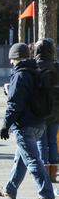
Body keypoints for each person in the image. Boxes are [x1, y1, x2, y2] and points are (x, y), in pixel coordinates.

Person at [0, 42, 56, 199]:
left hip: (25, 124)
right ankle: (10, 189)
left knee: (32, 160)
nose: (10, 62)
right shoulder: (36, 70)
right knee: (21, 158)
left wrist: (5, 125)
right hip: (40, 123)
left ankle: (47, 194)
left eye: (11, 59)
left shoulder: (20, 75)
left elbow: (15, 104)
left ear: (15, 58)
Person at [34, 39, 59, 185]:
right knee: (53, 143)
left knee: (41, 143)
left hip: (40, 112)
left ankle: (43, 174)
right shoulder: (57, 67)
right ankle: (53, 174)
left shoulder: (35, 67)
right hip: (56, 112)